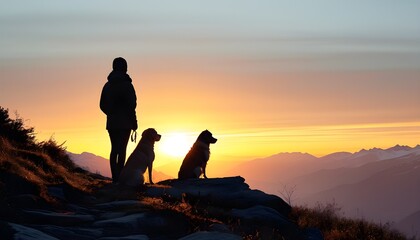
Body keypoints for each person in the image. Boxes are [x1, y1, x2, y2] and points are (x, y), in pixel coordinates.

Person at [100, 57, 138, 183]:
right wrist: (134, 122)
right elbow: (132, 104)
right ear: (125, 68)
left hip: (111, 123)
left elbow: (102, 105)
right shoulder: (127, 85)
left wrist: (111, 113)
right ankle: (120, 177)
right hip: (125, 123)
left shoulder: (107, 85)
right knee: (122, 150)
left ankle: (114, 177)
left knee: (114, 149)